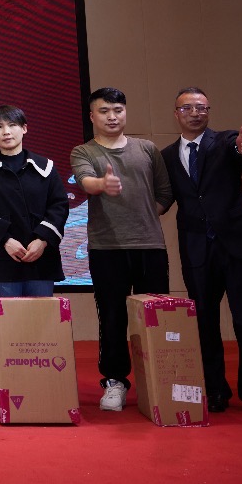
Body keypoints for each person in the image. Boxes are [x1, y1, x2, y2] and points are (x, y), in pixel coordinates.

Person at [160, 88, 242, 418]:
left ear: (208, 111)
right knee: (204, 323)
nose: (195, 113)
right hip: (196, 248)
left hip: (237, 244)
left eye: (202, 107)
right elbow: (167, 197)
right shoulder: (167, 156)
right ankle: (215, 390)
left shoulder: (226, 141)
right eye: (188, 108)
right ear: (176, 114)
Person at [69, 87, 172, 411]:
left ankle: (160, 379)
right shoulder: (83, 151)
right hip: (107, 248)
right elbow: (86, 182)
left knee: (156, 316)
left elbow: (164, 193)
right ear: (92, 116)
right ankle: (115, 381)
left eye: (118, 110)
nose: (112, 117)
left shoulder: (147, 149)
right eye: (104, 111)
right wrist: (103, 185)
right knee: (112, 317)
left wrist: (143, 216)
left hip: (150, 246)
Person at [0, 105, 69, 298]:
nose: (6, 132)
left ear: (24, 128)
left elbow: (59, 206)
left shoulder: (45, 167)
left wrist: (42, 240)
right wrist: (6, 240)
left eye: (12, 125)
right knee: (6, 316)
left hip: (41, 260)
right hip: (3, 261)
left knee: (42, 316)